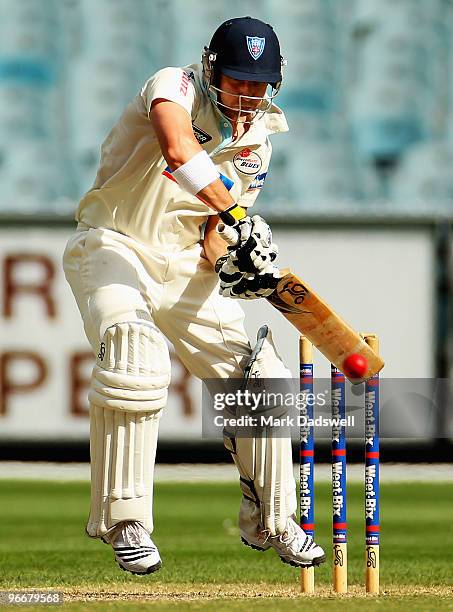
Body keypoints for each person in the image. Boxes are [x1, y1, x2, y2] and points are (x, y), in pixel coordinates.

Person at [63, 16, 326, 575]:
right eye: (237, 80)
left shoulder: (259, 141)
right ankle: (124, 520)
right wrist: (237, 213)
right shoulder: (172, 86)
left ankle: (274, 516)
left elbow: (212, 243)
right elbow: (179, 151)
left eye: (259, 85)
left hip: (184, 267)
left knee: (264, 375)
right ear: (210, 69)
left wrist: (237, 252)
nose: (247, 95)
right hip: (115, 244)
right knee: (136, 355)